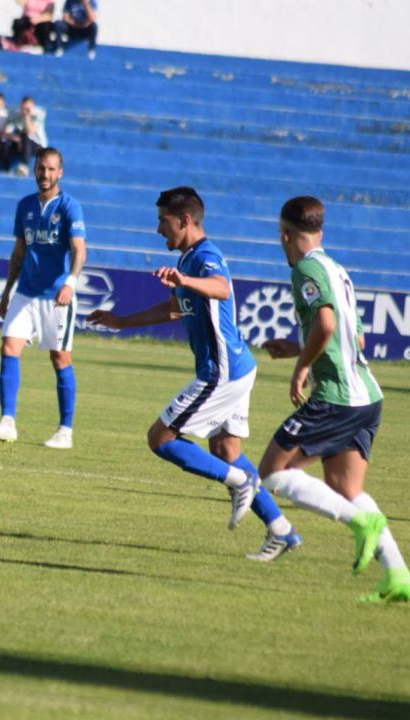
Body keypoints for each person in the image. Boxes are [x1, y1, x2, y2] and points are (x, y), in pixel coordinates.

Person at [88, 187, 302, 561]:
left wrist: (185, 281)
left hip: (221, 371)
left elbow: (220, 289)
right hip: (235, 369)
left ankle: (240, 482)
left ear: (185, 220)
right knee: (225, 449)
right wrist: (122, 321)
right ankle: (282, 531)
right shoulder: (187, 259)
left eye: (162, 221)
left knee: (160, 438)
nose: (158, 230)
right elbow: (175, 309)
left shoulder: (206, 256)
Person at [258, 196, 410, 602]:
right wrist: (297, 347)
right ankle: (398, 575)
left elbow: (326, 324)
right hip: (368, 396)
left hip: (337, 397)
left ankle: (360, 523)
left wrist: (301, 368)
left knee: (273, 473)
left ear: (285, 235)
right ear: (321, 232)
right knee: (346, 485)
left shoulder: (306, 269)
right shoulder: (338, 270)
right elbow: (356, 337)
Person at [0, 147, 86, 449]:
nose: (45, 174)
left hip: (57, 297)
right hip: (25, 292)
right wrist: (7, 291)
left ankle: (65, 430)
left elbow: (80, 250)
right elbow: (19, 253)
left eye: (51, 169)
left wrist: (71, 283)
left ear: (60, 172)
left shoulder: (69, 208)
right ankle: (7, 422)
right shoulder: (24, 206)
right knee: (9, 347)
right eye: (41, 168)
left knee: (60, 359)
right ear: (35, 169)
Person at [4, 96, 48, 177]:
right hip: (20, 143)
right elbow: (7, 131)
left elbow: (30, 131)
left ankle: (24, 166)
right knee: (6, 142)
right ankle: (6, 168)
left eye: (28, 108)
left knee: (26, 137)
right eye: (24, 107)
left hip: (37, 144)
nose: (26, 110)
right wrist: (16, 139)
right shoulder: (16, 114)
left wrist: (27, 116)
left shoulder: (39, 114)